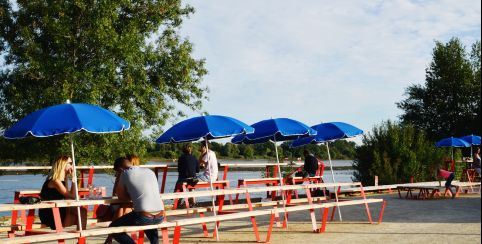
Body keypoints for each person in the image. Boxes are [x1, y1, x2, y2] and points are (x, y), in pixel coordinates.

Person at [109, 165, 164, 244]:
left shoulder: (125, 173)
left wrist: (130, 194)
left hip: (144, 217)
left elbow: (121, 197)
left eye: (117, 173)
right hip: (160, 216)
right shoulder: (150, 171)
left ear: (120, 169)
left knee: (113, 228)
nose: (116, 175)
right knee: (149, 220)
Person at [39, 155, 87, 230]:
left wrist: (68, 177)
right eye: (70, 163)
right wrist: (74, 178)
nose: (72, 166)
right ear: (63, 164)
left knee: (82, 212)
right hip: (50, 214)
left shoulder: (61, 180)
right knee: (81, 213)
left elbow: (69, 197)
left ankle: (81, 240)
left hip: (58, 210)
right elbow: (73, 196)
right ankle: (81, 239)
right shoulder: (55, 181)